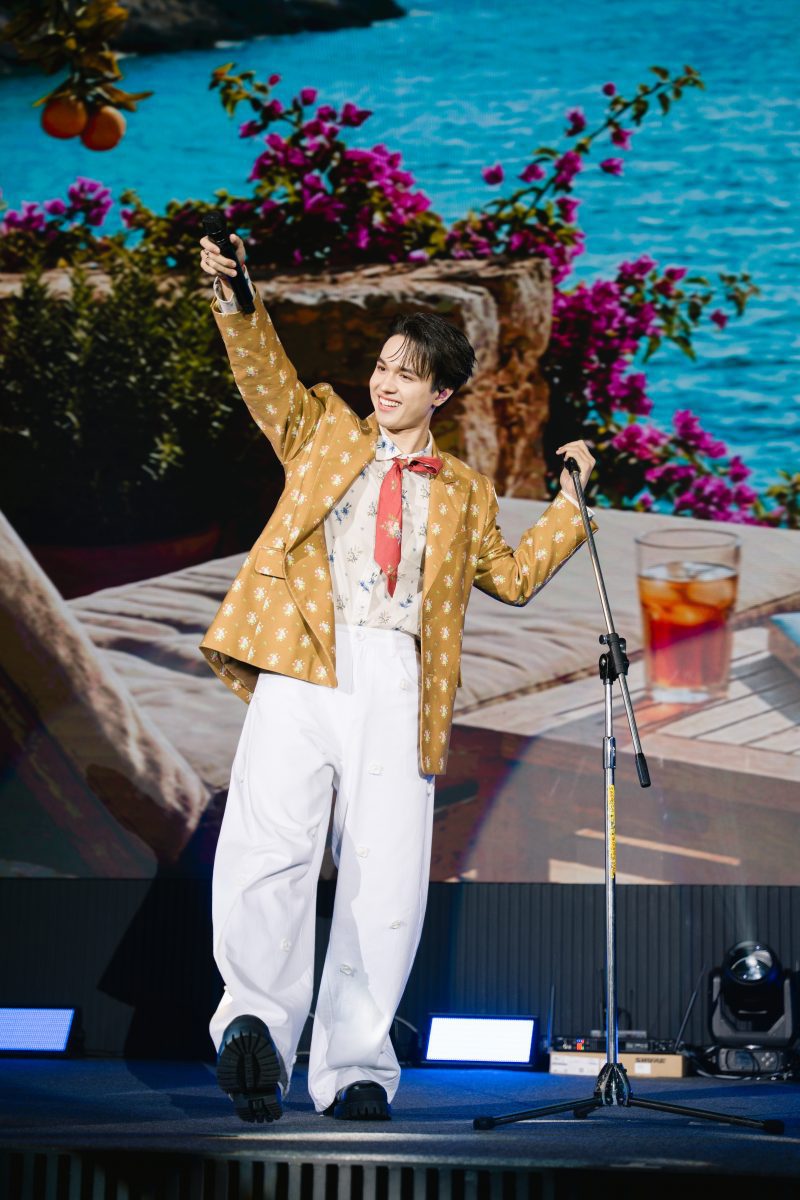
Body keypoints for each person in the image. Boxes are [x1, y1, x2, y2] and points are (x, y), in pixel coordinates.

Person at [198, 232, 596, 1124]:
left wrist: (571, 506)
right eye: (382, 367)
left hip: (398, 676)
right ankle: (255, 1026)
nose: (385, 383)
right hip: (305, 655)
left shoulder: (465, 490)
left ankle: (356, 1067)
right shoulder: (322, 432)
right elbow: (265, 378)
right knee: (268, 849)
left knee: (384, 879)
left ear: (440, 393)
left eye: (407, 375)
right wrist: (237, 298)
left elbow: (512, 579)